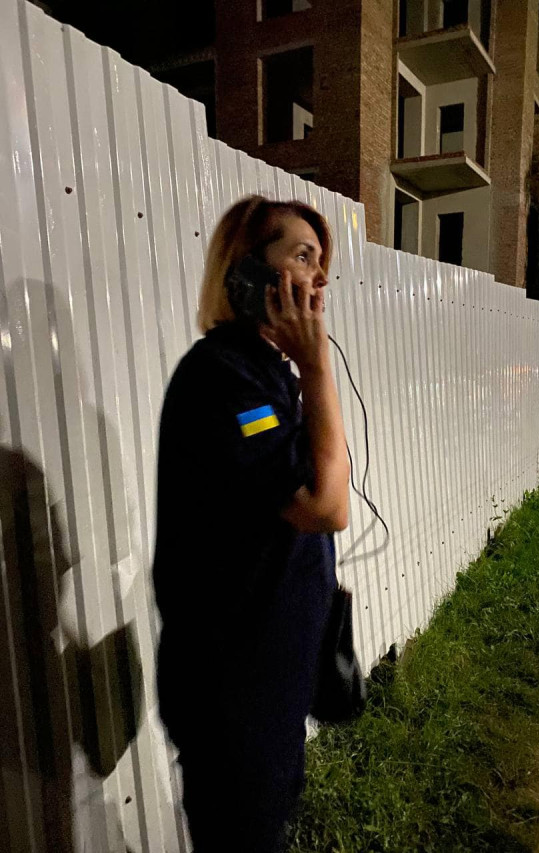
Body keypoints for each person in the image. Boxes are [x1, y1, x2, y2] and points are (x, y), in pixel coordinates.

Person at [152, 195, 350, 852]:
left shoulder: (267, 377)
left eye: (321, 264)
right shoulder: (223, 378)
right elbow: (327, 504)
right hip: (232, 695)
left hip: (271, 685)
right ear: (246, 271)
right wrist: (317, 367)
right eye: (303, 256)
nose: (319, 279)